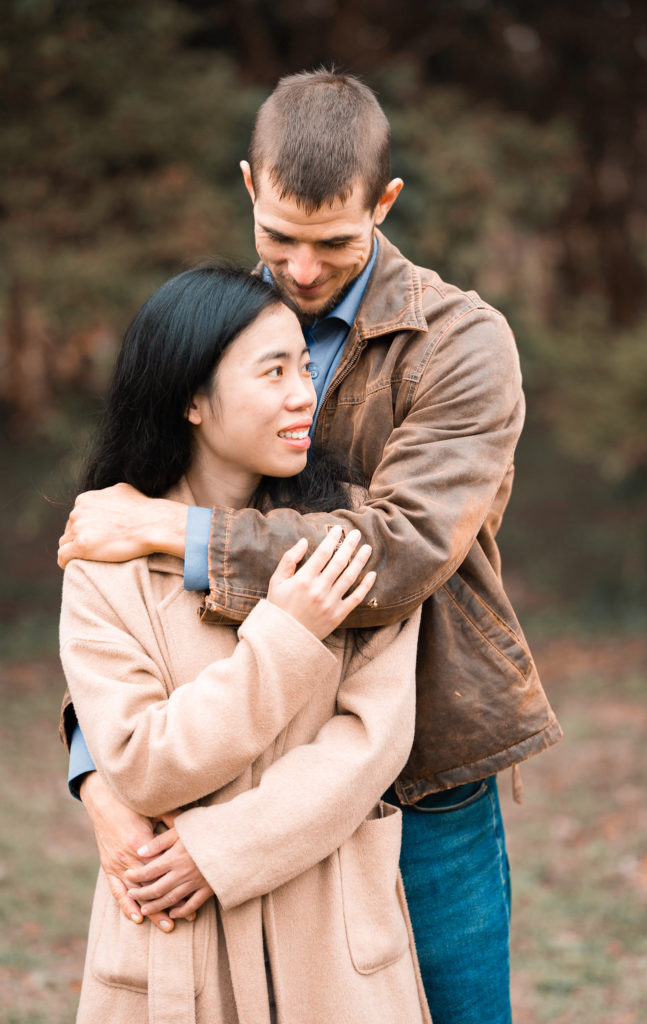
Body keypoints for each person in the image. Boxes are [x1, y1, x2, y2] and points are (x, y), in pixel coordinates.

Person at [59, 70, 562, 1023]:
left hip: (424, 783)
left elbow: (405, 547)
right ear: (249, 187)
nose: (298, 268)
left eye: (333, 242)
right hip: (224, 784)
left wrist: (178, 530)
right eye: (277, 238)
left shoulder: (461, 343)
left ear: (386, 203)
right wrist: (97, 770)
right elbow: (126, 579)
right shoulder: (207, 329)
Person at [60, 263, 431, 1023]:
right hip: (175, 952)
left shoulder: (350, 534)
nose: (305, 393)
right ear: (192, 398)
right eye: (273, 372)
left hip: (330, 947)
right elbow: (140, 761)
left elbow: (371, 743)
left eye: (305, 365)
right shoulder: (105, 558)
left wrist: (220, 847)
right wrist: (287, 636)